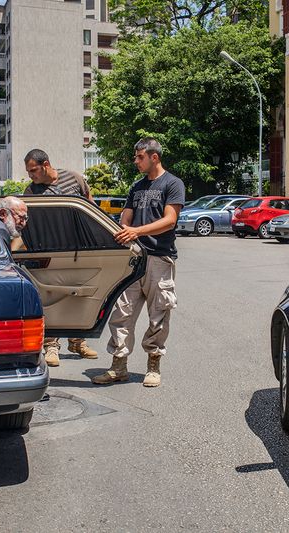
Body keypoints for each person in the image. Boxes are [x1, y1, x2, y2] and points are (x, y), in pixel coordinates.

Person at [92, 137, 185, 388]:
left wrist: (137, 231)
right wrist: (123, 228)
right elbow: (126, 218)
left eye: (140, 156)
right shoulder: (137, 186)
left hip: (160, 257)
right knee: (122, 313)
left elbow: (170, 221)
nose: (136, 161)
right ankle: (118, 366)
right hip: (133, 260)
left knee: (159, 315)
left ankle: (153, 366)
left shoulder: (173, 184)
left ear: (154, 157)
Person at [23, 148, 98, 366]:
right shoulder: (31, 191)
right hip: (51, 253)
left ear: (46, 164)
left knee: (79, 295)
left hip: (78, 249)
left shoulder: (73, 178)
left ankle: (78, 342)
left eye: (34, 170)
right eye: (29, 172)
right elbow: (28, 224)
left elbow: (90, 205)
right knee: (52, 298)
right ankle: (51, 346)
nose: (31, 175)